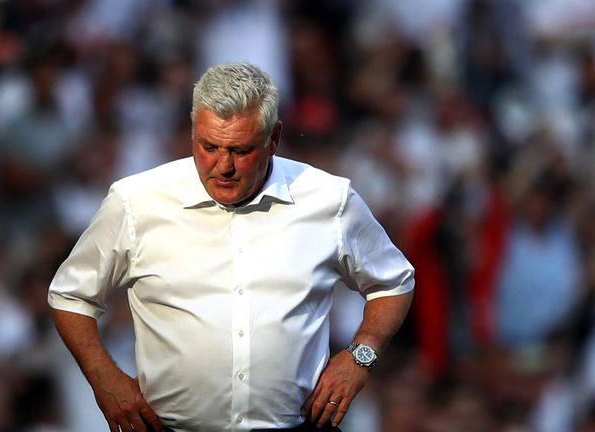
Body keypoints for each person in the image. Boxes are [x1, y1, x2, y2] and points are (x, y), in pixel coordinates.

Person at [48, 62, 414, 432]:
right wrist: (104, 379)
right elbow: (70, 295)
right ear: (193, 126)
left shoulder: (329, 200)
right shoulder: (135, 202)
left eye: (240, 150)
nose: (222, 165)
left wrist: (360, 356)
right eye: (209, 146)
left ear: (274, 138)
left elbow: (394, 282)